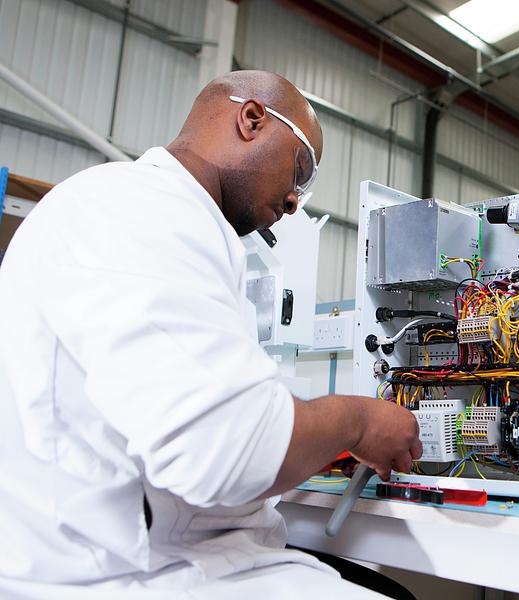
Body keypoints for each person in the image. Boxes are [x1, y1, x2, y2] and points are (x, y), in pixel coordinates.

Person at [0, 70, 422, 599]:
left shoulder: (158, 216)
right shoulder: (141, 211)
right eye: (301, 168)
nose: (295, 201)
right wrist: (358, 422)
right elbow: (235, 451)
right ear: (251, 119)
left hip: (156, 550)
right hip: (129, 573)